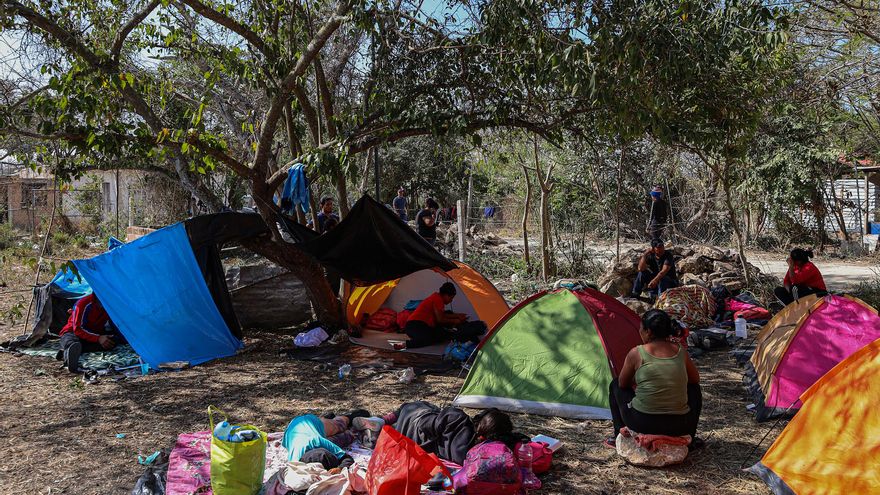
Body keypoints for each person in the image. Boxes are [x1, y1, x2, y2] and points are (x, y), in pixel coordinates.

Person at [606, 309, 702, 448]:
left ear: (648, 332)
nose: (639, 332)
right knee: (694, 389)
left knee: (615, 385)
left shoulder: (636, 353)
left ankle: (618, 435)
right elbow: (694, 380)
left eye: (641, 329)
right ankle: (690, 439)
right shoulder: (680, 351)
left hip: (642, 423)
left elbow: (622, 384)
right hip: (680, 425)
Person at [452, 408, 533, 494]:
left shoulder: (475, 449)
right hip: (508, 489)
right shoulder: (508, 449)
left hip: (476, 487)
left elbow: (458, 480)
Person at [400, 282, 485, 349]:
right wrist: (456, 320)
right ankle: (404, 345)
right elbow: (440, 319)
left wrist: (457, 315)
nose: (451, 301)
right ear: (445, 295)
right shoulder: (437, 299)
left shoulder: (437, 297)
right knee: (427, 339)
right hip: (414, 325)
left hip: (422, 325)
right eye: (451, 298)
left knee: (441, 331)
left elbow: (443, 315)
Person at [282, 409, 370, 471]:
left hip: (308, 422)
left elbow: (346, 458)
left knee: (340, 426)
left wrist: (339, 469)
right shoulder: (295, 463)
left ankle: (348, 418)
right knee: (342, 439)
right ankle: (328, 419)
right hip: (294, 429)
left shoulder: (318, 441)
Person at [59, 293, 122, 373]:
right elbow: (78, 329)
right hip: (74, 332)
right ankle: (70, 355)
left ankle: (69, 351)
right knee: (71, 340)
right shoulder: (84, 303)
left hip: (94, 333)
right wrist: (98, 338)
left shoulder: (110, 303)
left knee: (112, 340)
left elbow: (116, 324)